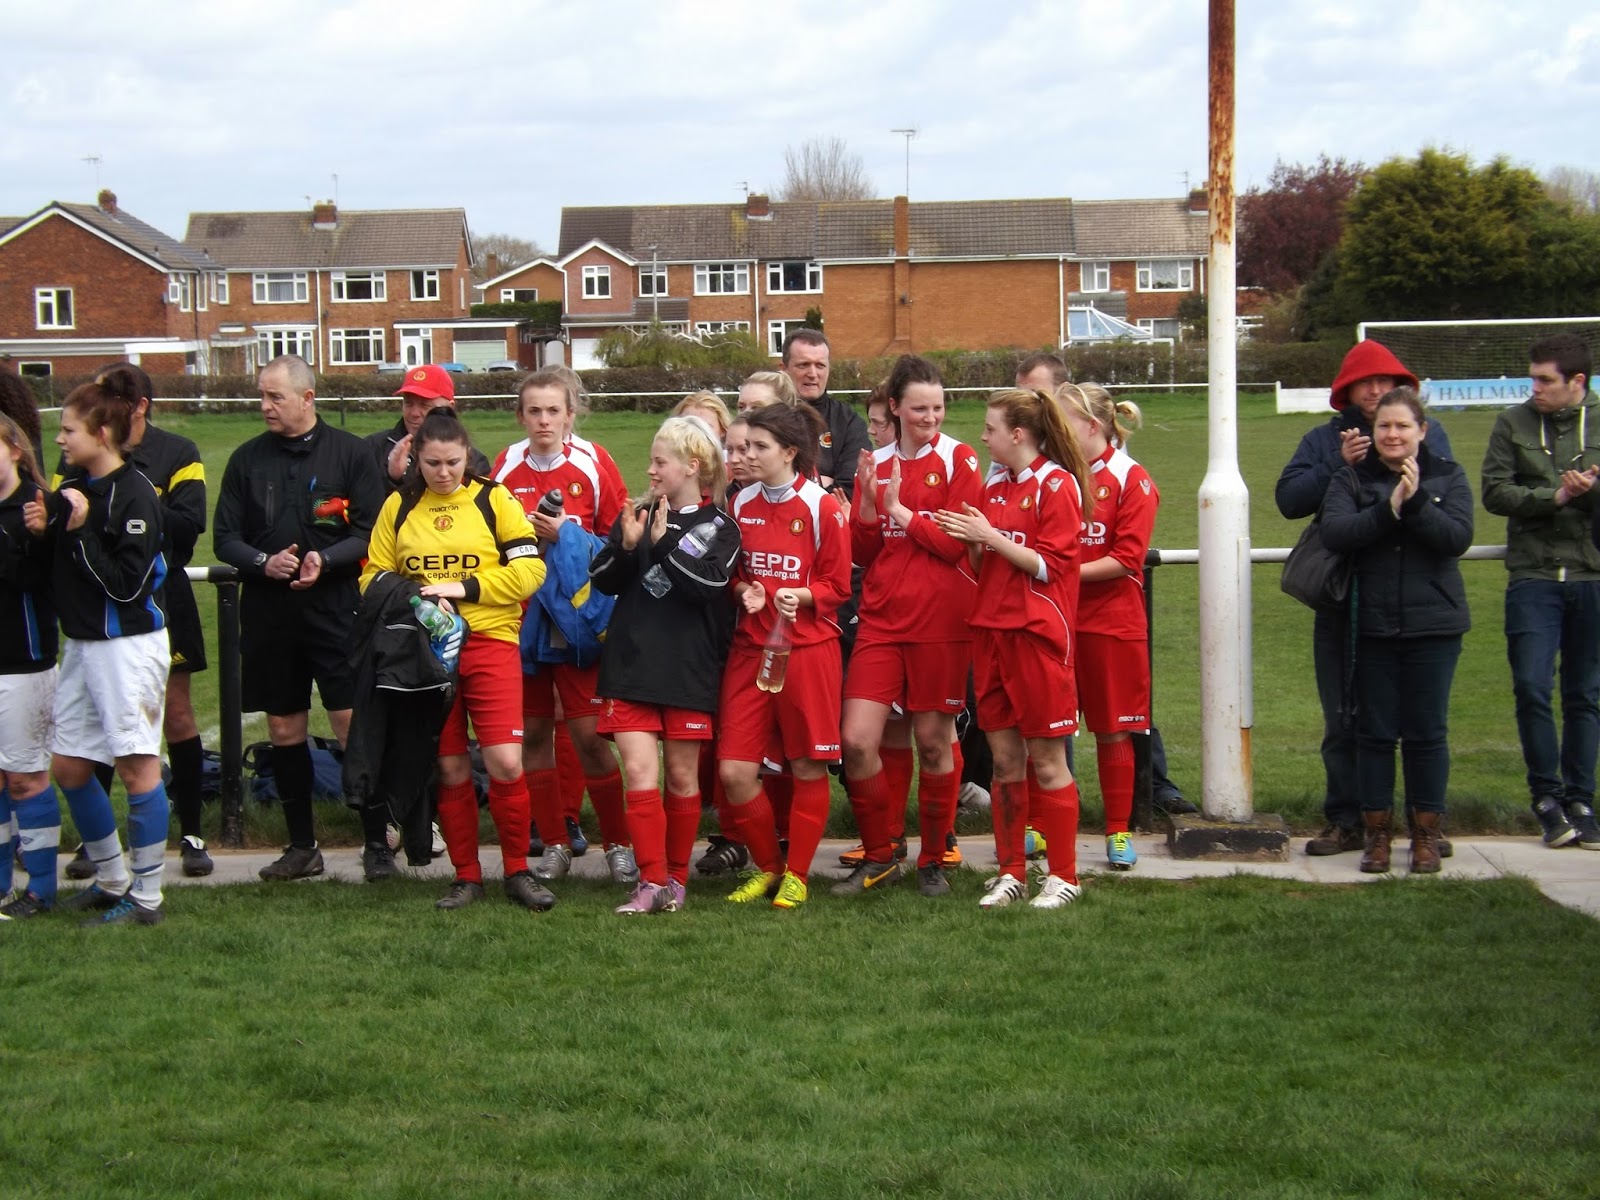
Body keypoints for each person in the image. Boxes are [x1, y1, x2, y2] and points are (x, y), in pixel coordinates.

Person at [361, 408, 553, 910]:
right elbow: (371, 578)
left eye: (452, 462)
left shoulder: (494, 499)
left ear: (467, 455)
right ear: (414, 460)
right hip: (424, 654)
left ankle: (517, 871)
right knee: (448, 768)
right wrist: (417, 598)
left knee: (506, 762)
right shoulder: (398, 509)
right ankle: (466, 876)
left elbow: (530, 572)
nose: (443, 473)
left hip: (490, 643)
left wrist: (462, 588)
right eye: (432, 463)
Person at [1276, 339, 1453, 857]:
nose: (1376, 391)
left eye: (1386, 381)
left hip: (1413, 597)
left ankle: (1423, 826)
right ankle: (1347, 819)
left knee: (1419, 722)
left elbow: (1450, 502)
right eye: (1365, 382)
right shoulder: (1323, 439)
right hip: (1342, 598)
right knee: (1342, 715)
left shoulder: (1430, 434)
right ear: (1347, 390)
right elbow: (1288, 501)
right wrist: (1338, 464)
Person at [214, 355, 384, 881]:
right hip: (269, 616)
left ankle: (377, 840)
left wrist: (324, 560)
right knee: (284, 727)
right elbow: (225, 537)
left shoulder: (351, 454)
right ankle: (301, 845)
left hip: (335, 611)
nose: (265, 406)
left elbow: (371, 530)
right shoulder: (246, 460)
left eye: (275, 397)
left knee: (350, 724)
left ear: (307, 398)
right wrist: (264, 563)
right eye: (261, 396)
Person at [935, 387, 1092, 909]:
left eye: (991, 428)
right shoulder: (993, 485)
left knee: (1047, 760)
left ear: (1018, 434)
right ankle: (1012, 873)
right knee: (1005, 762)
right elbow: (985, 568)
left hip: (1037, 637)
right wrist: (974, 542)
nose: (983, 436)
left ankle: (1064, 875)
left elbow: (1052, 566)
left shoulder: (1057, 484)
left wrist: (992, 537)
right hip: (992, 634)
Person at [26, 378, 170, 925]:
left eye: (68, 429)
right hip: (82, 646)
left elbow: (128, 586)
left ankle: (148, 898)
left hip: (126, 648)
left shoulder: (136, 494)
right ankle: (112, 880)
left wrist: (82, 533)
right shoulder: (72, 486)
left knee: (137, 768)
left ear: (102, 433)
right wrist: (46, 531)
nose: (59, 439)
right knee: (68, 768)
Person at [837, 355, 982, 899]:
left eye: (938, 407)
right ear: (894, 408)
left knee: (932, 741)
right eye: (919, 408)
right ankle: (880, 854)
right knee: (856, 740)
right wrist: (870, 509)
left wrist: (898, 510)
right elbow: (863, 550)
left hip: (942, 621)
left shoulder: (961, 459)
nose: (931, 418)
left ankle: (932, 859)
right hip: (881, 619)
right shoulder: (873, 459)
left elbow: (952, 546)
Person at [492, 369, 637, 886]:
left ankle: (619, 843)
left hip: (577, 620)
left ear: (571, 413)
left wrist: (566, 532)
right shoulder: (506, 465)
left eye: (554, 410)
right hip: (524, 616)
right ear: (521, 415)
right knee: (532, 733)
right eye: (535, 411)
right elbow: (489, 538)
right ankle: (554, 842)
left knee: (589, 735)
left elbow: (622, 537)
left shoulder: (594, 461)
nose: (544, 420)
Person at [591, 416, 741, 914]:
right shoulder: (637, 511)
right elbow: (606, 583)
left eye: (660, 462)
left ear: (692, 467)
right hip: (631, 665)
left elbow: (704, 588)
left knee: (681, 779)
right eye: (652, 461)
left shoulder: (720, 526)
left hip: (688, 669)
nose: (651, 471)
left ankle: (676, 881)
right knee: (638, 771)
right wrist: (630, 545)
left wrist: (661, 544)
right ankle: (650, 882)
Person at [1321, 387, 1473, 872]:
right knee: (1375, 734)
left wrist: (1417, 503)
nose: (1392, 434)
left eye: (1403, 426)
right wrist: (1388, 509)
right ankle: (1378, 837)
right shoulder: (1351, 479)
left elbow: (1458, 538)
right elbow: (1337, 533)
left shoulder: (1448, 476)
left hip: (1435, 625)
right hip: (1370, 627)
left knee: (1428, 733)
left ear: (1421, 431)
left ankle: (1426, 836)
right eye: (1384, 426)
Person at [718, 403, 851, 910]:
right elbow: (729, 572)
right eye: (744, 446)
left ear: (789, 452)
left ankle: (796, 874)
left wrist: (804, 595)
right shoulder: (740, 503)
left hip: (808, 652)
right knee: (735, 772)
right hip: (751, 650)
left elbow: (839, 585)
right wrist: (744, 591)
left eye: (758, 447)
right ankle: (769, 869)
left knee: (805, 765)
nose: (745, 455)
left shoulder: (821, 508)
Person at [1483, 332, 1600, 850]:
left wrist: (1591, 493)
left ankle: (1582, 800)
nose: (1534, 388)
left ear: (1577, 382)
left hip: (1591, 576)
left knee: (1585, 695)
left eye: (1544, 380)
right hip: (1533, 577)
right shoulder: (1512, 422)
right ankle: (1547, 800)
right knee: (1532, 687)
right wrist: (1553, 496)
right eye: (1531, 378)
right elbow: (1494, 491)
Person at [1058, 382, 1159, 870]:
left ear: (1091, 426)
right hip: (1055, 618)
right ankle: (1042, 824)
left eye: (1064, 421)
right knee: (1047, 726)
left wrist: (1059, 573)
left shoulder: (1131, 478)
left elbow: (1127, 558)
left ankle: (1117, 832)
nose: (1054, 431)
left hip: (1111, 623)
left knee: (1113, 729)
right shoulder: (1056, 474)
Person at [0, 414, 60, 920]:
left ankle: (40, 890)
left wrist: (39, 536)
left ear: (15, 449)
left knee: (25, 779)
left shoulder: (37, 510)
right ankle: (2, 886)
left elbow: (34, 579)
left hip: (23, 662)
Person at [367, 363, 490, 493]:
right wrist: (392, 478)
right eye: (408, 403)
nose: (414, 413)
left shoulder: (474, 461)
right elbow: (367, 506)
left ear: (450, 406)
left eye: (425, 405)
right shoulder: (373, 449)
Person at [779, 329, 872, 495]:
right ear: (783, 369)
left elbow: (851, 485)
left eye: (820, 365)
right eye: (803, 365)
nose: (813, 374)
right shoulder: (769, 419)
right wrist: (822, 482)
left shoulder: (848, 421)